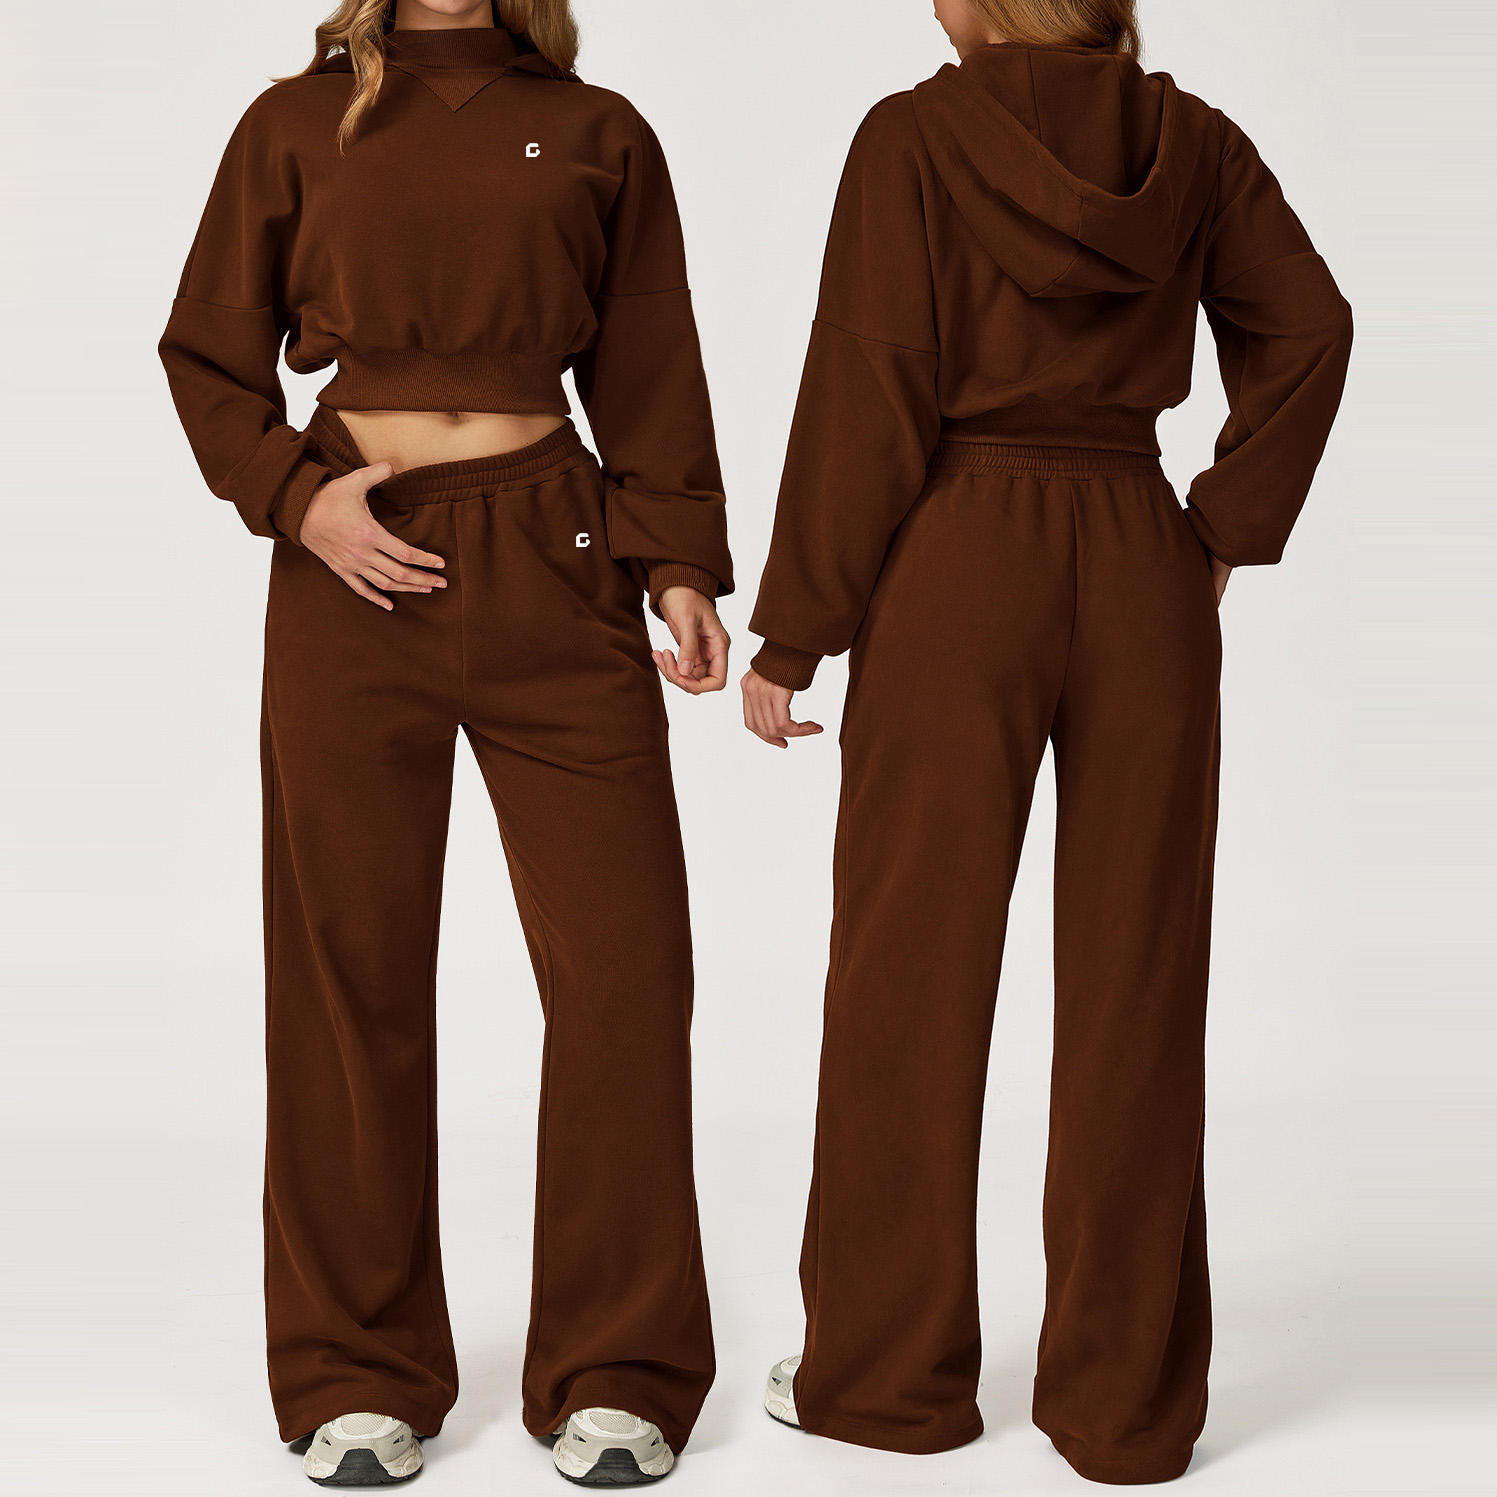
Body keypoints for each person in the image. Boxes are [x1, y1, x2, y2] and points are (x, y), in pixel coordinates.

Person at [743, 0, 1351, 1482]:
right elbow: (1311, 326)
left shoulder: (912, 139)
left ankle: (883, 1376)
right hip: (1138, 552)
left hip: (958, 554)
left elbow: (868, 382)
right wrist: (1218, 533)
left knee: (906, 973)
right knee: (1139, 980)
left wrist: (795, 631)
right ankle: (1125, 1407)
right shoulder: (1193, 143)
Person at [160, 0, 731, 1485]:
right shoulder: (295, 123)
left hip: (559, 552)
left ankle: (616, 1368)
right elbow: (207, 354)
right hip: (354, 562)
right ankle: (358, 1372)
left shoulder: (597, 129)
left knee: (624, 971)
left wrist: (676, 561)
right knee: (347, 970)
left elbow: (652, 357)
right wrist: (298, 500)